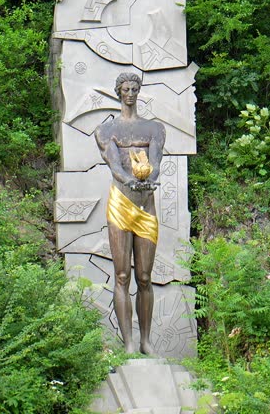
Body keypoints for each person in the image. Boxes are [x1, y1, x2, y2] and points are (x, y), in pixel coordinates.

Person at [94, 72, 166, 354]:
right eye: (126, 89)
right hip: (121, 204)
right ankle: (128, 344)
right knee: (122, 275)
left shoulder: (153, 129)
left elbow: (157, 162)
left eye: (135, 88)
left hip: (146, 203)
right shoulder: (107, 130)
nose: (131, 93)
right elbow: (114, 165)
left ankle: (146, 340)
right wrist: (129, 180)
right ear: (118, 92)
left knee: (145, 277)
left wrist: (148, 178)